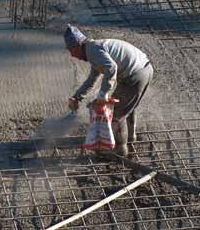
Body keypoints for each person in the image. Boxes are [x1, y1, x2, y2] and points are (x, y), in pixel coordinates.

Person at [65, 24, 153, 157]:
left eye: (71, 50)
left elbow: (111, 68)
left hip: (135, 75)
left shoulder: (93, 51)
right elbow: (92, 80)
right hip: (143, 70)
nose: (72, 55)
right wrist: (77, 97)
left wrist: (103, 94)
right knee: (128, 105)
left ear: (77, 46)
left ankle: (120, 151)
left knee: (116, 112)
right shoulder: (93, 49)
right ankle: (131, 137)